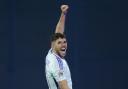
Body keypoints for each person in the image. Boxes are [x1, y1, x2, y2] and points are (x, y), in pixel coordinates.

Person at [45, 5, 72, 89]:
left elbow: (59, 32)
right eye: (59, 43)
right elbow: (64, 86)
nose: (63, 44)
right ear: (53, 45)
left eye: (64, 42)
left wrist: (63, 14)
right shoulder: (56, 64)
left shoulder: (52, 53)